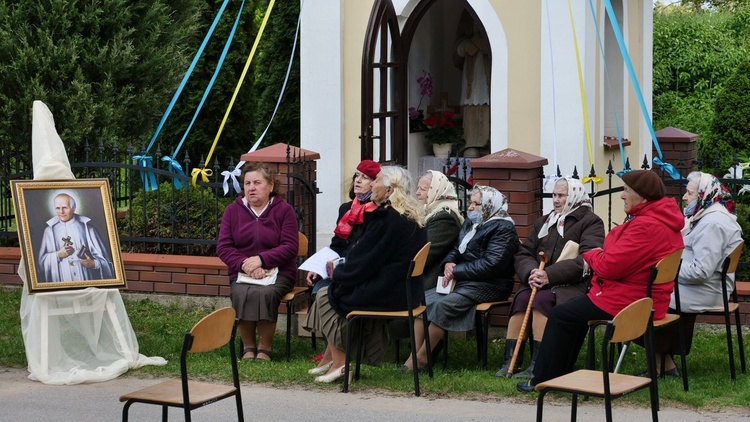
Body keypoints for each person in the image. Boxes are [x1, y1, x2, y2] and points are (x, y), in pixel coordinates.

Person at [517, 170, 684, 392]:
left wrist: (591, 254)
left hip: (628, 300)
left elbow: (608, 266)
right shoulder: (662, 220)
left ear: (643, 197)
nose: (622, 196)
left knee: (561, 314)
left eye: (626, 191)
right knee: (571, 313)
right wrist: (603, 255)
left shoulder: (646, 226)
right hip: (645, 296)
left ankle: (543, 379)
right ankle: (561, 374)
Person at [303, 166, 427, 382]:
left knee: (328, 294)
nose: (372, 184)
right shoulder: (409, 216)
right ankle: (336, 360)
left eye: (376, 180)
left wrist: (336, 272)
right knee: (334, 290)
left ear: (389, 191)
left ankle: (342, 364)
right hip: (406, 291)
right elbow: (367, 260)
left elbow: (361, 265)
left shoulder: (387, 220)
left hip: (389, 293)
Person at [495, 177, 605, 378]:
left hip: (572, 285)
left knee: (540, 300)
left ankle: (538, 363)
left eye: (561, 196)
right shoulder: (544, 222)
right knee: (521, 299)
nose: (555, 200)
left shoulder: (591, 222)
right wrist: (531, 272)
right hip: (539, 280)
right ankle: (511, 360)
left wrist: (549, 275)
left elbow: (588, 260)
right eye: (554, 195)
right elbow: (524, 253)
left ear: (573, 196)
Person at [401, 185, 519, 371]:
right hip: (463, 280)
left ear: (489, 205)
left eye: (476, 204)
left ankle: (423, 359)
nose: (471, 208)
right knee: (423, 302)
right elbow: (456, 249)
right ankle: (413, 356)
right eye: (471, 203)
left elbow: (491, 265)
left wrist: (457, 271)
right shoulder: (473, 223)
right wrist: (448, 263)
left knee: (442, 306)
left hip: (490, 284)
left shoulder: (503, 228)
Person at [651, 171, 743, 375]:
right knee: (656, 290)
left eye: (689, 193)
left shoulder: (712, 224)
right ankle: (665, 363)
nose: (684, 197)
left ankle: (660, 364)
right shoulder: (710, 215)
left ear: (703, 194)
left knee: (651, 295)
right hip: (710, 284)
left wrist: (664, 269)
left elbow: (700, 271)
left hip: (708, 288)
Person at [217, 162, 299, 362]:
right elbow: (224, 247)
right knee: (241, 291)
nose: (251, 187)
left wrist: (262, 260)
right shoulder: (232, 211)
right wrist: (247, 265)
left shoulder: (284, 210)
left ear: (270, 186)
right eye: (247, 183)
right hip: (242, 271)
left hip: (279, 272)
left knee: (265, 293)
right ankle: (248, 347)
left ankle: (265, 348)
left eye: (257, 182)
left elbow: (290, 246)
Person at [305, 159, 381, 362]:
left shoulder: (379, 212)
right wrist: (319, 268)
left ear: (376, 183)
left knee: (332, 291)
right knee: (318, 286)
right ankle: (330, 349)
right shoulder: (346, 208)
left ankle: (340, 350)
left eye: (365, 177)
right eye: (357, 175)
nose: (358, 181)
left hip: (361, 270)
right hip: (341, 267)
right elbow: (337, 244)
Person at [38, 192, 114, 282]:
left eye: (65, 208)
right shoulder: (49, 231)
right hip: (61, 279)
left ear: (73, 208)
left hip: (84, 279)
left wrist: (93, 263)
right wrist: (58, 255)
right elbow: (41, 263)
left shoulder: (87, 228)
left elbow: (105, 261)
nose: (61, 212)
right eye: (58, 208)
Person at [415, 170, 464, 289]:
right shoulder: (430, 211)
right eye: (418, 188)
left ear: (436, 190)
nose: (417, 193)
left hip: (429, 281)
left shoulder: (445, 217)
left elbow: (426, 253)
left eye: (423, 189)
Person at [454, 9, 490, 155]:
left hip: (489, 72)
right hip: (472, 74)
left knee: (489, 103)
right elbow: (457, 48)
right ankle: (470, 143)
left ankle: (488, 143)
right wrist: (470, 45)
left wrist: (484, 44)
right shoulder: (467, 14)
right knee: (472, 103)